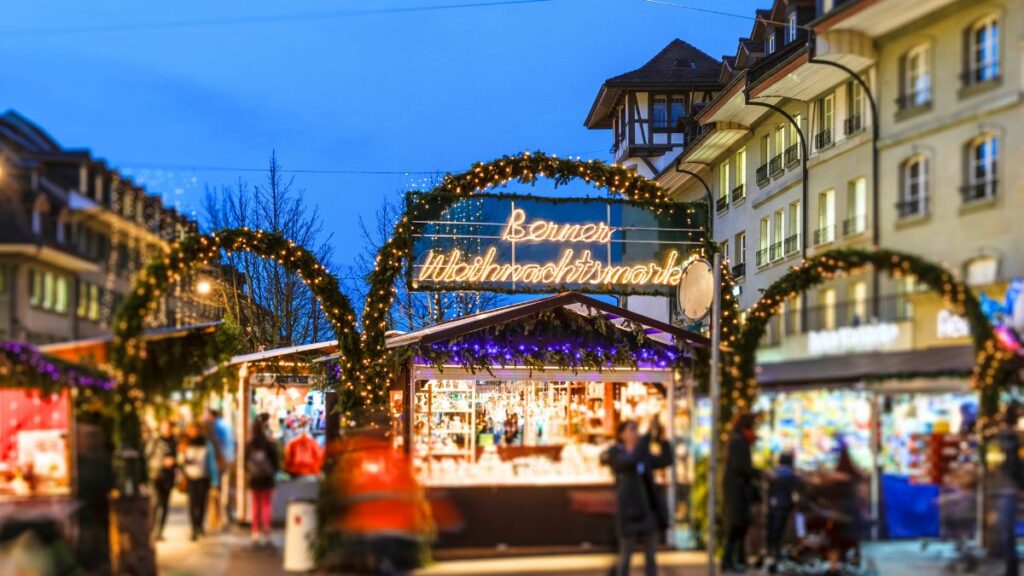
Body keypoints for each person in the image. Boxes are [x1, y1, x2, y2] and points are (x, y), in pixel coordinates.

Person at [601, 419, 672, 576]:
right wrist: (648, 436)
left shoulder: (644, 454)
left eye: (636, 429)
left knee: (651, 558)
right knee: (625, 557)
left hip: (647, 512)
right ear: (622, 434)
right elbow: (631, 461)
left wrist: (662, 440)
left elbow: (665, 460)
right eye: (632, 429)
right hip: (628, 514)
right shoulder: (616, 453)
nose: (636, 432)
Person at [722, 412, 759, 574]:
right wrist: (758, 473)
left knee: (739, 527)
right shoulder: (739, 441)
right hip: (736, 491)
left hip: (737, 489)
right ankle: (730, 561)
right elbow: (741, 466)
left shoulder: (738, 439)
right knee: (736, 527)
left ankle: (736, 560)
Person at [180, 421, 219, 541]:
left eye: (195, 430)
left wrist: (215, 481)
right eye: (191, 430)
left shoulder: (206, 444)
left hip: (203, 478)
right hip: (190, 478)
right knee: (192, 504)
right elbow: (181, 461)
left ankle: (200, 525)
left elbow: (212, 463)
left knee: (202, 503)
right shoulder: (185, 444)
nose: (194, 432)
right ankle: (194, 528)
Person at [997, 402, 1023, 576]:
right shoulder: (1012, 439)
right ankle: (1010, 566)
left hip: (1010, 489)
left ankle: (1011, 566)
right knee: (1005, 530)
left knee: (1006, 529)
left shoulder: (1012, 440)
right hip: (1009, 488)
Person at [765, 451, 803, 573]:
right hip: (784, 507)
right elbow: (800, 482)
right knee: (781, 533)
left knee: (773, 533)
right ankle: (777, 556)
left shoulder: (775, 473)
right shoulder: (789, 474)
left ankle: (773, 556)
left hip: (774, 506)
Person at [246, 418, 280, 546]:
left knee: (255, 505)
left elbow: (245, 463)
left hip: (255, 479)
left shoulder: (250, 445)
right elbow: (276, 462)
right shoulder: (269, 444)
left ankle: (255, 532)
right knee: (267, 505)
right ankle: (266, 531)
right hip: (267, 479)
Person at [148, 421, 178, 541]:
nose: (166, 430)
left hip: (169, 477)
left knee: (165, 505)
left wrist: (175, 461)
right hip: (156, 476)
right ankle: (152, 530)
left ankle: (160, 532)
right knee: (155, 504)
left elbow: (178, 457)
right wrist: (162, 462)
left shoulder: (174, 441)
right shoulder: (155, 441)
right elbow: (148, 456)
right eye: (164, 428)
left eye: (168, 428)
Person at [208, 409, 236, 531]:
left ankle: (220, 519)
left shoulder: (215, 426)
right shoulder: (226, 425)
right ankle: (225, 516)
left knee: (217, 493)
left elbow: (217, 445)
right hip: (229, 461)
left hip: (220, 463)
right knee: (226, 491)